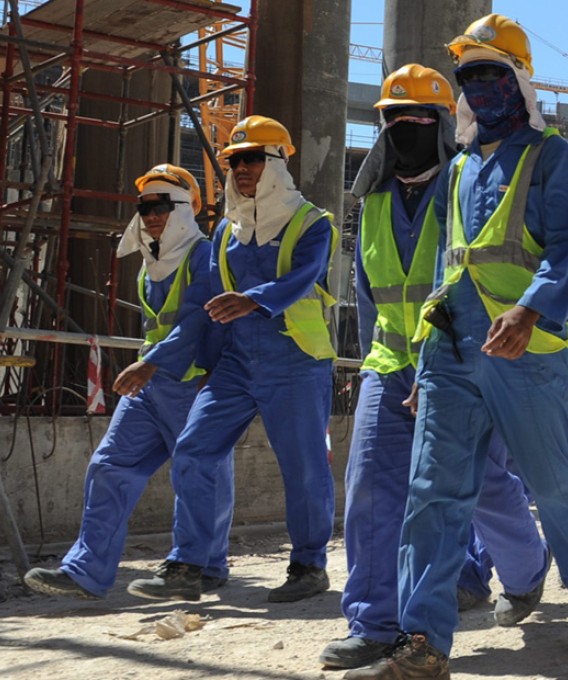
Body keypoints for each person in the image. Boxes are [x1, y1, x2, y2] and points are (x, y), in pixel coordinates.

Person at [346, 14, 568, 679]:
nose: (480, 87)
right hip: (453, 350)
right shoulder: (460, 167)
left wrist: (529, 309)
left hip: (528, 351)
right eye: (470, 77)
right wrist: (425, 359)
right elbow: (444, 268)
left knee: (552, 486)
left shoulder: (551, 157)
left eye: (492, 74)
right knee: (432, 494)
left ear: (519, 81)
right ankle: (424, 643)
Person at [318, 64, 549, 671]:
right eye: (394, 119)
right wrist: (369, 363)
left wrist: (436, 361)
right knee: (369, 487)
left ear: (445, 124)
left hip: (457, 359)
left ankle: (527, 568)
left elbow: (464, 283)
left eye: (419, 119)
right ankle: (374, 623)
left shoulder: (467, 187)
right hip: (389, 359)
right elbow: (370, 297)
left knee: (479, 489)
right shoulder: (369, 202)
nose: (405, 129)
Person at [126, 116, 339, 602]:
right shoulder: (225, 231)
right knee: (195, 449)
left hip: (296, 360)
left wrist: (253, 299)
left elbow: (304, 277)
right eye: (235, 161)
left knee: (303, 466)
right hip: (237, 364)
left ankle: (308, 565)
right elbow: (204, 308)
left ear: (278, 162)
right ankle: (190, 565)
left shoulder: (312, 222)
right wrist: (172, 362)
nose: (241, 168)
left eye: (252, 158)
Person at [22, 165, 234, 600]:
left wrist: (150, 364)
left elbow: (199, 320)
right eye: (145, 208)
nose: (151, 216)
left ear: (183, 210)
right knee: (109, 465)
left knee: (199, 473)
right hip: (154, 384)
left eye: (160, 206)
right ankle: (86, 570)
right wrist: (150, 367)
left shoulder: (203, 256)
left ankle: (204, 565)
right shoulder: (149, 268)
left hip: (189, 384)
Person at [456, 246, 568, 608]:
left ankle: (478, 573)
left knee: (517, 473)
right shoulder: (464, 228)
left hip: (541, 372)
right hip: (483, 370)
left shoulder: (562, 238)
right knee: (519, 473)